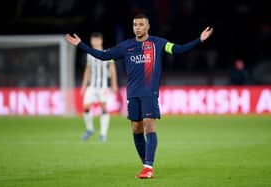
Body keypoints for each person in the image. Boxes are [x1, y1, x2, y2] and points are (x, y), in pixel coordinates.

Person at [65, 13, 213, 179]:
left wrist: (199, 40)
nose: (138, 27)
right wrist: (81, 45)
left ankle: (148, 166)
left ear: (148, 26)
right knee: (136, 129)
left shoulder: (158, 43)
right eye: (135, 25)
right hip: (133, 94)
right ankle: (145, 163)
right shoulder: (126, 46)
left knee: (149, 125)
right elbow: (104, 56)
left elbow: (179, 49)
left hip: (149, 92)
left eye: (141, 24)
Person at [80, 32, 118, 142]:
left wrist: (114, 84)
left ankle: (103, 134)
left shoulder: (107, 53)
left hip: (103, 86)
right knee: (86, 107)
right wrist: (83, 85)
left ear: (101, 41)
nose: (95, 42)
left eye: (97, 40)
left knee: (103, 107)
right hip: (92, 86)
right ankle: (89, 129)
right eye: (93, 40)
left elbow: (112, 68)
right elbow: (88, 70)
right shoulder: (89, 54)